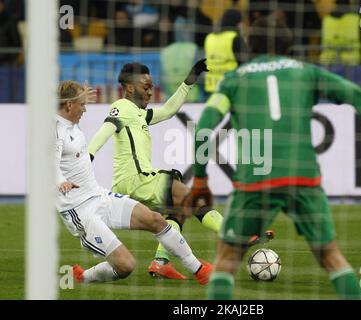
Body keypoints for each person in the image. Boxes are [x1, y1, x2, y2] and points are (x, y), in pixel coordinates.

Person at [187, 16, 361, 300]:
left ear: (249, 45)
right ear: (289, 44)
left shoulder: (234, 80)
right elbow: (356, 94)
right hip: (303, 177)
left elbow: (205, 124)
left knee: (226, 260)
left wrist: (200, 178)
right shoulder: (307, 72)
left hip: (255, 182)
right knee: (331, 256)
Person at [56, 80, 212, 285]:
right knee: (126, 266)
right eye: (82, 104)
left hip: (99, 196)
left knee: (156, 220)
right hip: (80, 210)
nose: (85, 109)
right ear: (69, 105)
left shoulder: (72, 126)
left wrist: (77, 96)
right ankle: (82, 277)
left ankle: (200, 270)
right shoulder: (55, 130)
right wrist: (60, 181)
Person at [87, 60, 228, 280]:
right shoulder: (122, 107)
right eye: (146, 87)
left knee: (176, 212)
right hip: (136, 179)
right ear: (131, 87)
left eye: (152, 87)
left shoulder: (139, 114)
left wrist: (191, 77)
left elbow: (169, 110)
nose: (151, 92)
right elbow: (105, 130)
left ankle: (161, 263)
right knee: (189, 197)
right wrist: (88, 157)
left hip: (133, 183)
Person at [204, 8, 246, 94]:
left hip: (211, 86)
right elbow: (245, 63)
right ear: (237, 22)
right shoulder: (235, 37)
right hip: (230, 86)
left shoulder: (209, 37)